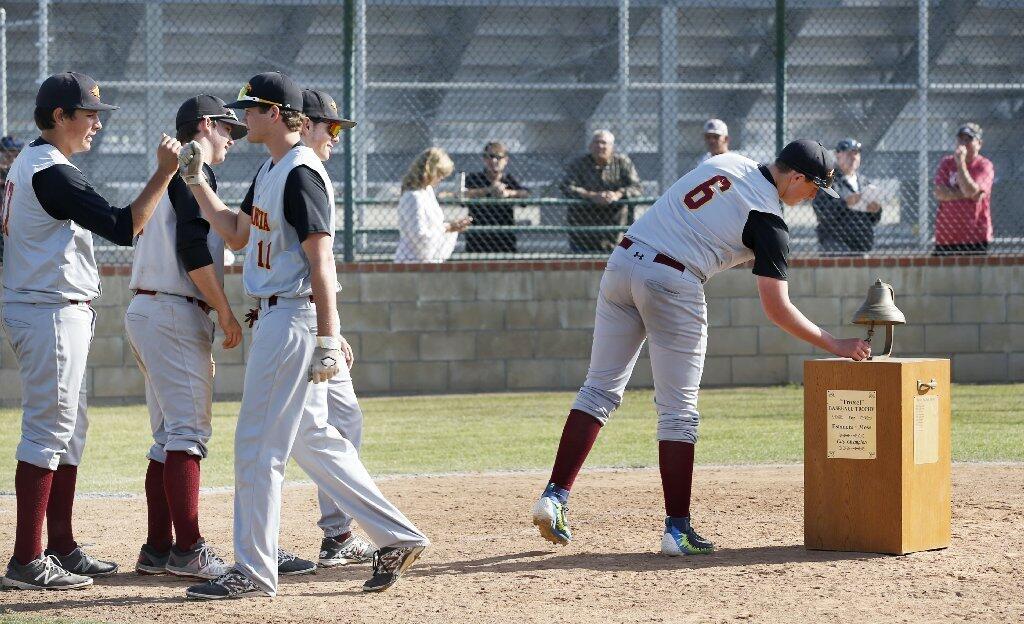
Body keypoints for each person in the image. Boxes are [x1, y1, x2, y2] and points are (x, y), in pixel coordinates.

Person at [531, 140, 871, 557]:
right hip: (673, 281)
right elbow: (776, 308)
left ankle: (554, 496)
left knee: (598, 390)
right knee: (679, 411)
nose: (813, 197)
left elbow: (706, 219)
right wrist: (833, 343)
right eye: (815, 187)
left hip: (622, 261)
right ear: (796, 177)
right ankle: (677, 530)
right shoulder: (769, 221)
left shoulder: (729, 160)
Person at [179, 72, 429, 599]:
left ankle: (253, 570)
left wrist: (327, 337)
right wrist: (197, 181)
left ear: (276, 113)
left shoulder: (300, 172)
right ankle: (397, 535)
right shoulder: (271, 168)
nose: (243, 116)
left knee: (256, 447)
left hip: (291, 318)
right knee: (313, 440)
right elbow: (238, 234)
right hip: (277, 316)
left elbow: (321, 258)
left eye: (251, 108)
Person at [0, 71, 181, 590]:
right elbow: (126, 228)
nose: (98, 123)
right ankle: (26, 559)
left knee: (69, 433)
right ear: (59, 117)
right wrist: (164, 172)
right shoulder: (51, 171)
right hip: (48, 309)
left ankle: (59, 546)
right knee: (47, 431)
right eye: (89, 114)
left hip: (50, 306)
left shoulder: (36, 163)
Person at [127, 95, 246, 581]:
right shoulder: (192, 170)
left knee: (167, 437)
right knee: (187, 435)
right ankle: (189, 550)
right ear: (204, 125)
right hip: (175, 308)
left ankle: (159, 548)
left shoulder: (176, 169)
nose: (232, 140)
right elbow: (193, 249)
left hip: (152, 308)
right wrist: (225, 311)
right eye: (227, 130)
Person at [300, 87, 377, 567]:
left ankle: (337, 534)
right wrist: (325, 330)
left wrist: (332, 326)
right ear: (303, 124)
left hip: (311, 316)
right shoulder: (300, 173)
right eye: (329, 127)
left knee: (343, 422)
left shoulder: (304, 172)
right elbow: (312, 260)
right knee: (301, 432)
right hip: (299, 319)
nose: (335, 136)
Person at [559, 130, 642, 253]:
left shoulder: (622, 162)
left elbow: (636, 187)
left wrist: (617, 194)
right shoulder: (578, 163)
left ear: (612, 147)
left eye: (604, 143)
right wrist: (592, 196)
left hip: (616, 227)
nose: (600, 146)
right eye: (596, 142)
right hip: (584, 227)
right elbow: (566, 186)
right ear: (590, 146)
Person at [394, 147, 471, 263]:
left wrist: (451, 228)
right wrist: (448, 227)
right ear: (430, 171)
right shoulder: (412, 197)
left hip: (428, 261)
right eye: (439, 174)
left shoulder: (427, 192)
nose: (441, 179)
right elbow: (419, 236)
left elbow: (434, 228)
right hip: (411, 262)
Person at [811, 138, 883, 255]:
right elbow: (821, 212)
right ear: (837, 155)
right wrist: (845, 203)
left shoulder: (864, 182)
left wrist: (875, 210)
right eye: (849, 153)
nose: (853, 157)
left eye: (856, 153)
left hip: (862, 243)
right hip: (835, 244)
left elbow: (874, 220)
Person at [933, 123, 994, 255]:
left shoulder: (984, 165)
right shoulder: (946, 163)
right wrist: (966, 193)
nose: (964, 143)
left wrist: (960, 164)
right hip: (946, 237)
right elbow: (939, 193)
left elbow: (972, 192)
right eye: (961, 139)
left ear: (979, 143)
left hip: (975, 238)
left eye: (969, 139)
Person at [462, 141, 529, 254]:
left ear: (505, 160)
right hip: (478, 240)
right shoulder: (474, 178)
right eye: (490, 156)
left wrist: (508, 193)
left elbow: (526, 194)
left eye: (498, 157)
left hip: (504, 240)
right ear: (484, 159)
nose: (493, 161)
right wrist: (488, 190)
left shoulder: (508, 180)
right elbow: (462, 195)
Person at [0, 136, 25, 266]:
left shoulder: (22, 172)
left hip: (16, 225)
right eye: (8, 154)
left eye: (15, 154)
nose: (12, 159)